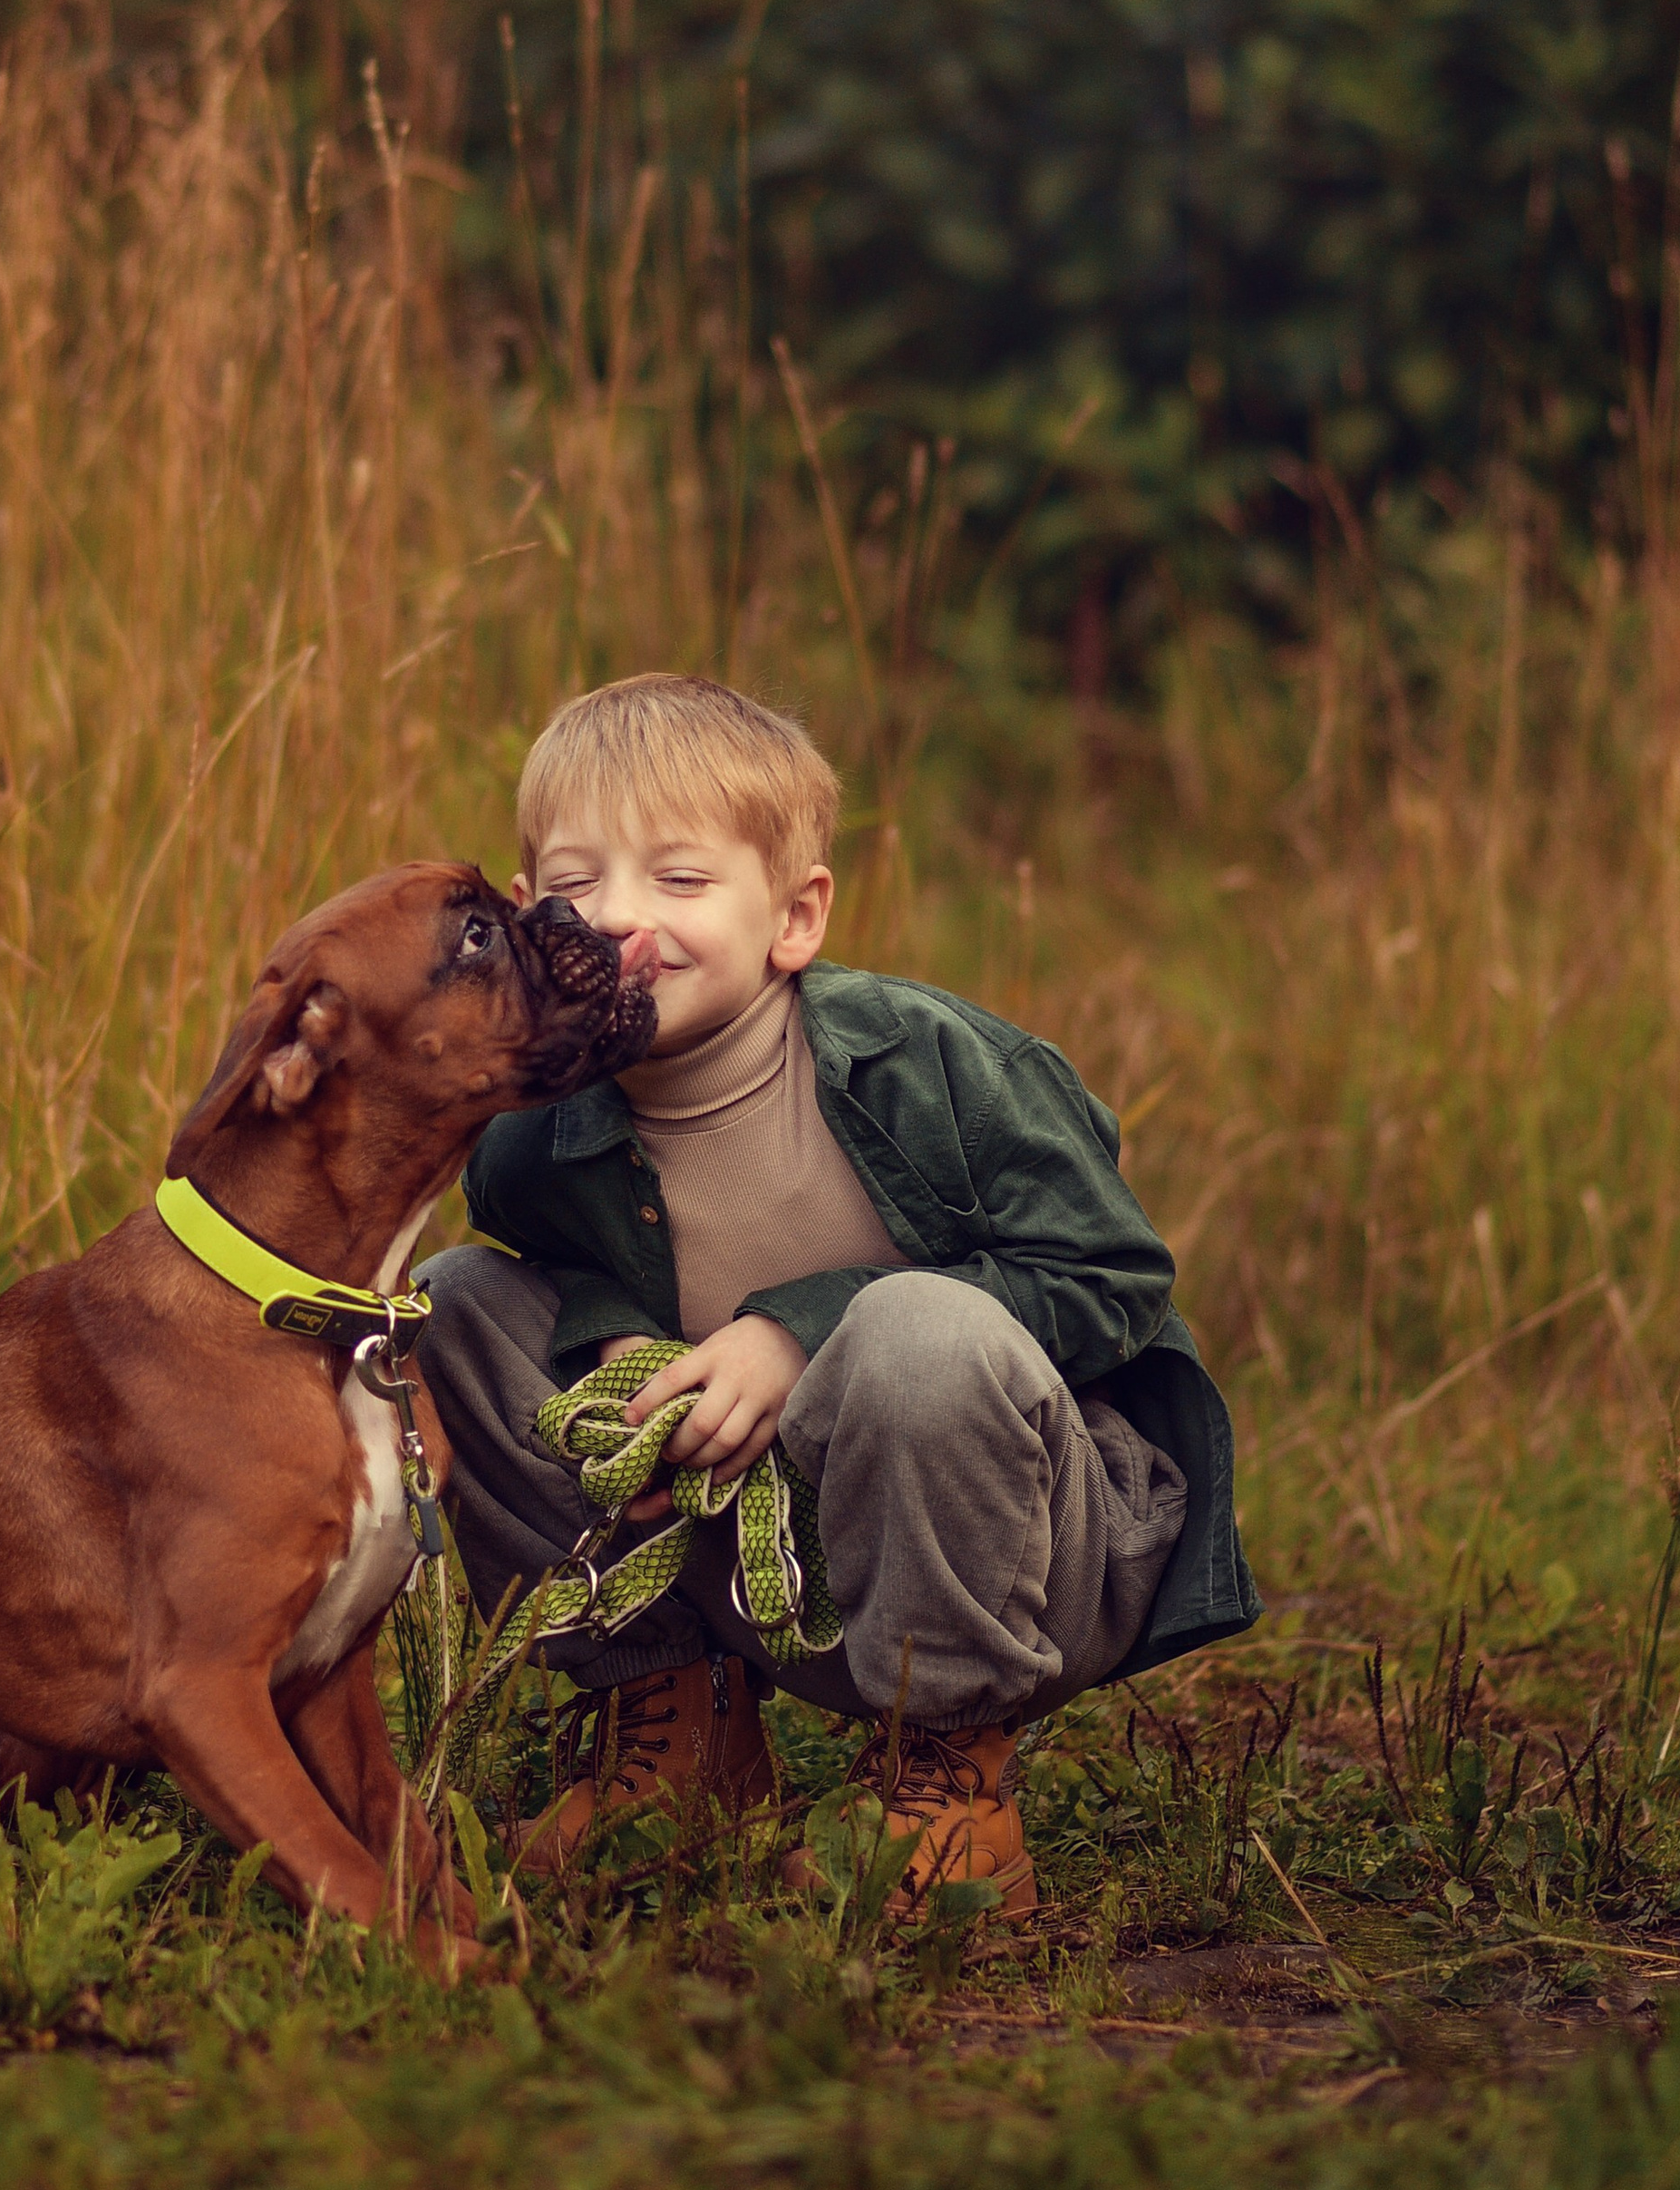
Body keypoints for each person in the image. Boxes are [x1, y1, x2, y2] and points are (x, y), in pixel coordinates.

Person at [416, 672, 1258, 1916]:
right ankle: (678, 1733)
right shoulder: (536, 1135)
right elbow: (562, 1273)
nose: (615, 920)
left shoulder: (929, 1067)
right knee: (453, 1303)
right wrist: (615, 1350)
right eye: (571, 887)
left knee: (915, 1331)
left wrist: (796, 1332)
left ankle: (951, 1779)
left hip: (1023, 1538)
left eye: (680, 880)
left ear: (795, 918)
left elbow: (1111, 1276)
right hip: (749, 1548)